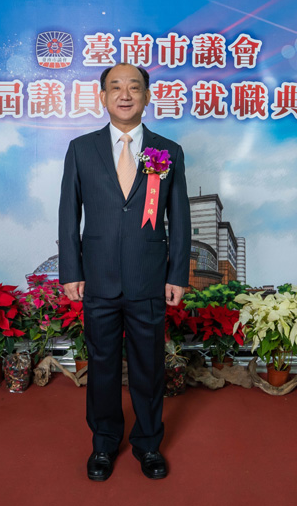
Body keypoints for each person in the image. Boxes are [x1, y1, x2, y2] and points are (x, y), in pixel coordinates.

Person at [58, 63, 191, 481]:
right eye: (116, 87)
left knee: (149, 367)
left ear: (147, 96)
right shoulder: (81, 149)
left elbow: (180, 218)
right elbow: (68, 214)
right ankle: (103, 443)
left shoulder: (168, 151)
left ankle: (148, 445)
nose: (125, 94)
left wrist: (177, 274)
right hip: (97, 278)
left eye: (134, 87)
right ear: (103, 97)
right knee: (101, 366)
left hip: (148, 277)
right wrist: (70, 270)